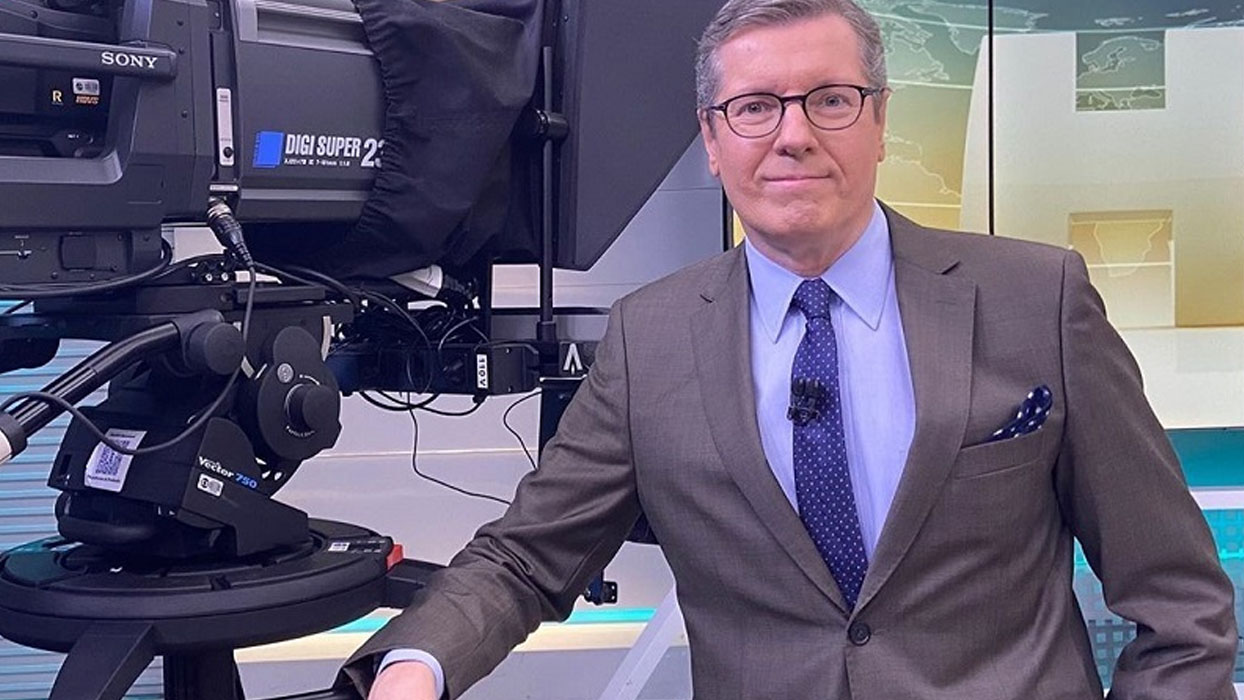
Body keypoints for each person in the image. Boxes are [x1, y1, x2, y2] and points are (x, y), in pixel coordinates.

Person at [342, 1, 1239, 698]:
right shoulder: (650, 339)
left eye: (830, 100)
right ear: (712, 138)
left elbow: (1180, 602)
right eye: (755, 107)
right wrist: (416, 665)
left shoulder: (1036, 300)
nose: (794, 135)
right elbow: (525, 558)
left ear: (880, 121)